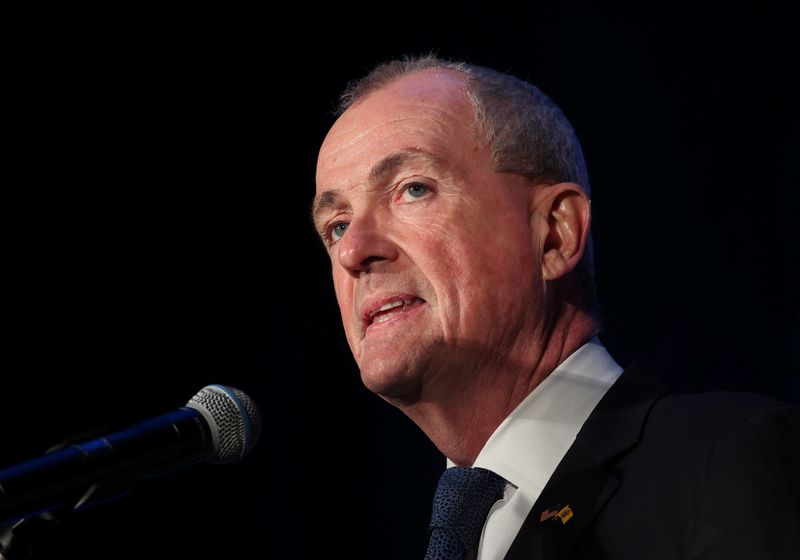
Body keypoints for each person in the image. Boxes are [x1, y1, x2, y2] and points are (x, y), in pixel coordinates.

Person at [311, 55, 800, 559]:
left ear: (555, 235)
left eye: (412, 190)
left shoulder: (729, 459)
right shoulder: (447, 536)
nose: (352, 251)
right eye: (338, 225)